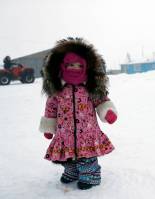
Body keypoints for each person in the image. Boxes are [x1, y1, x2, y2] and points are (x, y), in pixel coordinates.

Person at [38, 37, 118, 190]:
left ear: (86, 67)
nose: (74, 68)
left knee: (86, 158)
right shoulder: (58, 89)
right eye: (70, 65)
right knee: (66, 158)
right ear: (62, 66)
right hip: (64, 133)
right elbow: (51, 108)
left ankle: (90, 176)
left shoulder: (89, 87)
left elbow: (101, 100)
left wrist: (107, 112)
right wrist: (49, 128)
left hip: (87, 133)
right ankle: (72, 172)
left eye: (78, 65)